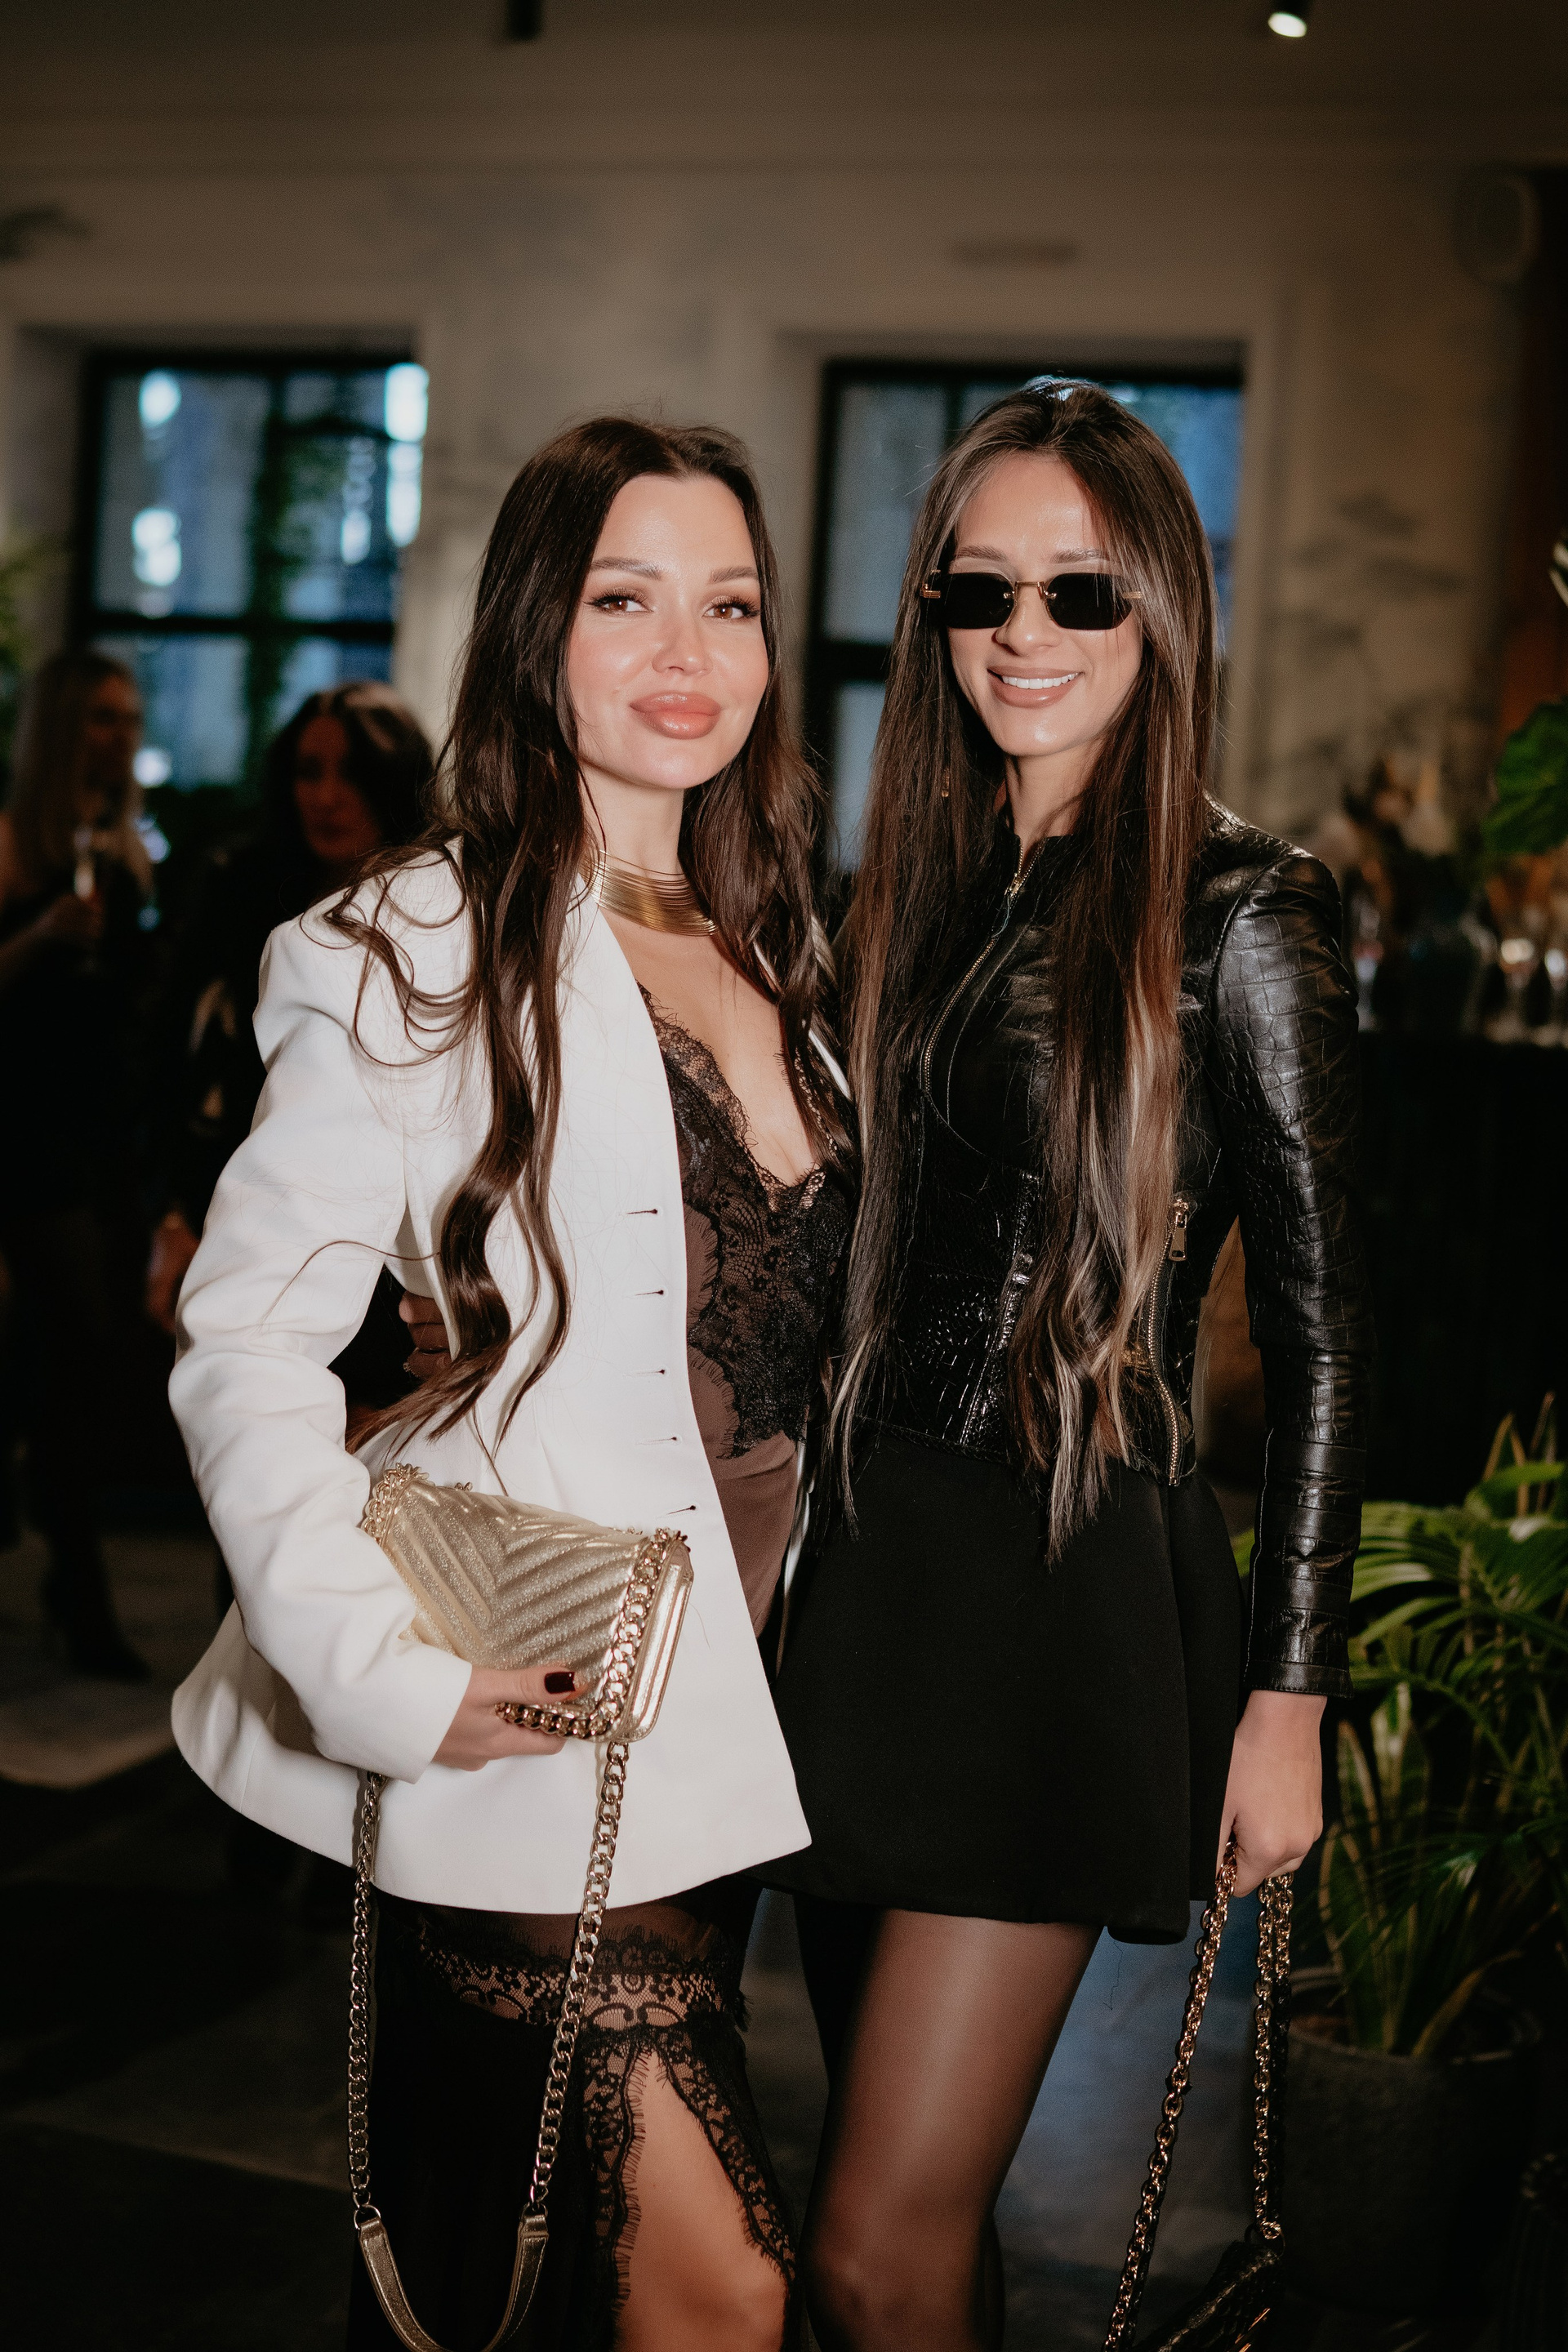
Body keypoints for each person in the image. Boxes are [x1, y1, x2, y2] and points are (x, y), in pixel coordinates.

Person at [167, 417, 853, 2351]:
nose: (688, 651)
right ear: (538, 625)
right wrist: (375, 1674)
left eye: (731, 604)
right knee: (718, 2288)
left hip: (732, 1717)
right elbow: (243, 1340)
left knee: (554, 2275)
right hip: (535, 1713)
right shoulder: (405, 946)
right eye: (627, 598)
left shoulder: (780, 946)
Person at [766, 381, 1373, 2352]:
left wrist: (1289, 1698)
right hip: (875, 1580)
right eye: (981, 588)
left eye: (1081, 591)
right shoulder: (918, 885)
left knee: (869, 2249)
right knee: (899, 2228)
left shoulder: (1246, 912)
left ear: (1162, 610)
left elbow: (1326, 1330)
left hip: (1058, 1587)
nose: (1023, 632)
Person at [145, 679, 434, 1351]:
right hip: (233, 1222)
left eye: (353, 773)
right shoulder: (239, 893)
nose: (326, 797)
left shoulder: (437, 912)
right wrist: (171, 1213)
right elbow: (168, 1060)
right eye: (309, 772)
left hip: (381, 1254)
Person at [0, 649, 156, 1678]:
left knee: (77, 1362)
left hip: (102, 1135)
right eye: (101, 717)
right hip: (26, 1134)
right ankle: (83, 1591)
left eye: (129, 718)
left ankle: (70, 1570)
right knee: (73, 1342)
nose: (119, 736)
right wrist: (41, 935)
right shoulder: (17, 841)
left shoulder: (128, 843)